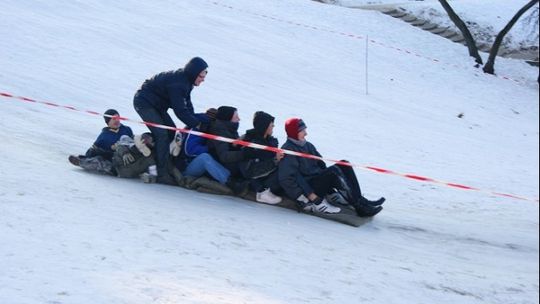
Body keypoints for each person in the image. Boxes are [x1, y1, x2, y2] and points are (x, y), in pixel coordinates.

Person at [278, 118, 384, 216]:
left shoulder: (307, 145)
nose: (306, 133)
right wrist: (302, 198)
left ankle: (360, 199)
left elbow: (320, 162)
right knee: (333, 172)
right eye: (302, 131)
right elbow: (286, 178)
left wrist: (329, 182)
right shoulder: (288, 150)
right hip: (309, 189)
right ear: (294, 132)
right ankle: (360, 207)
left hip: (317, 180)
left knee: (344, 164)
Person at [133, 57, 209, 185]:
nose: (203, 80)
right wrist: (196, 124)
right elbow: (180, 110)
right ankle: (161, 173)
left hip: (157, 106)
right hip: (144, 103)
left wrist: (199, 120)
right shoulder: (179, 84)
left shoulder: (187, 82)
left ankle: (154, 156)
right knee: (162, 134)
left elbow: (187, 105)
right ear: (194, 73)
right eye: (201, 76)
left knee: (171, 133)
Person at [173, 108, 249, 195]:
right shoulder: (197, 128)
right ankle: (230, 182)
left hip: (195, 164)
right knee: (205, 158)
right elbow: (189, 150)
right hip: (186, 165)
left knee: (209, 157)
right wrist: (209, 148)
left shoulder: (213, 128)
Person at [69, 109, 134, 175]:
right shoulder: (103, 136)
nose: (117, 120)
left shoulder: (126, 129)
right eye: (114, 119)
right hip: (114, 162)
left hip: (130, 156)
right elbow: (92, 150)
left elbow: (133, 141)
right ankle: (81, 162)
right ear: (108, 121)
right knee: (99, 161)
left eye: (118, 118)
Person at [240, 111, 284, 204]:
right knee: (287, 170)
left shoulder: (271, 141)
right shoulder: (251, 144)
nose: (273, 127)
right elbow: (251, 171)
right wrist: (275, 160)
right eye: (271, 125)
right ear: (264, 126)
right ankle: (262, 193)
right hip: (259, 180)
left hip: (269, 174)